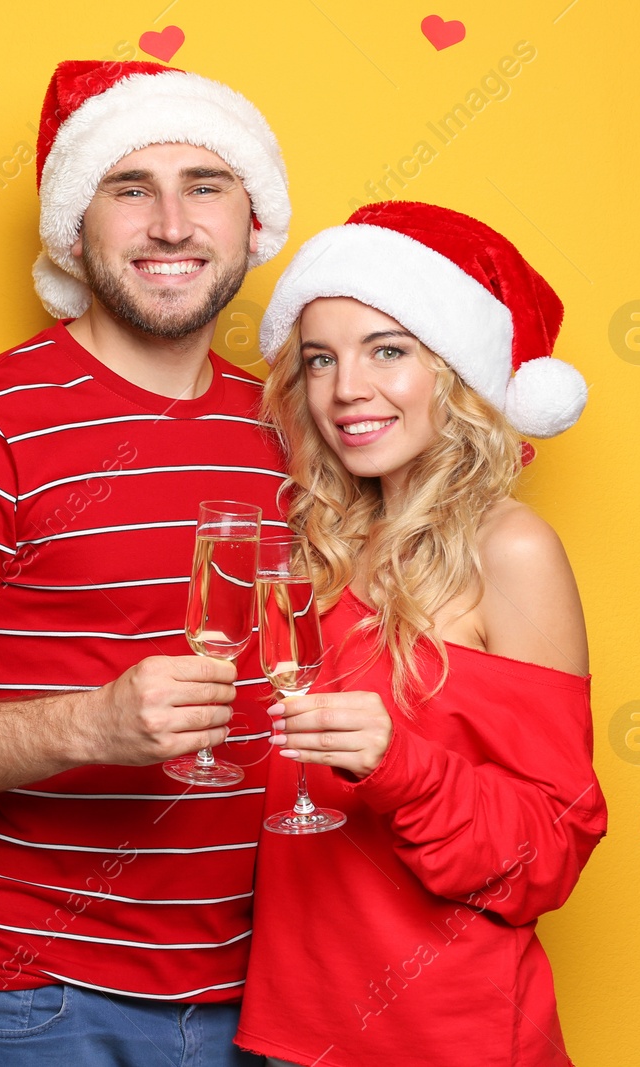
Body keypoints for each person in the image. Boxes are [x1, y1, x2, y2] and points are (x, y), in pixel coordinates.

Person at [0, 59, 294, 1065]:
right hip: (33, 1001)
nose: (171, 224)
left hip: (272, 994)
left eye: (204, 185)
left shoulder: (293, 427)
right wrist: (91, 722)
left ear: (253, 221)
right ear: (73, 224)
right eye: (130, 188)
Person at [232, 201, 608, 1066]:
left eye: (388, 351)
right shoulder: (316, 544)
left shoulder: (509, 549)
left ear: (455, 372)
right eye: (320, 358)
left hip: (442, 1035)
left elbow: (549, 852)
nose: (345, 389)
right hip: (284, 1031)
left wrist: (397, 763)